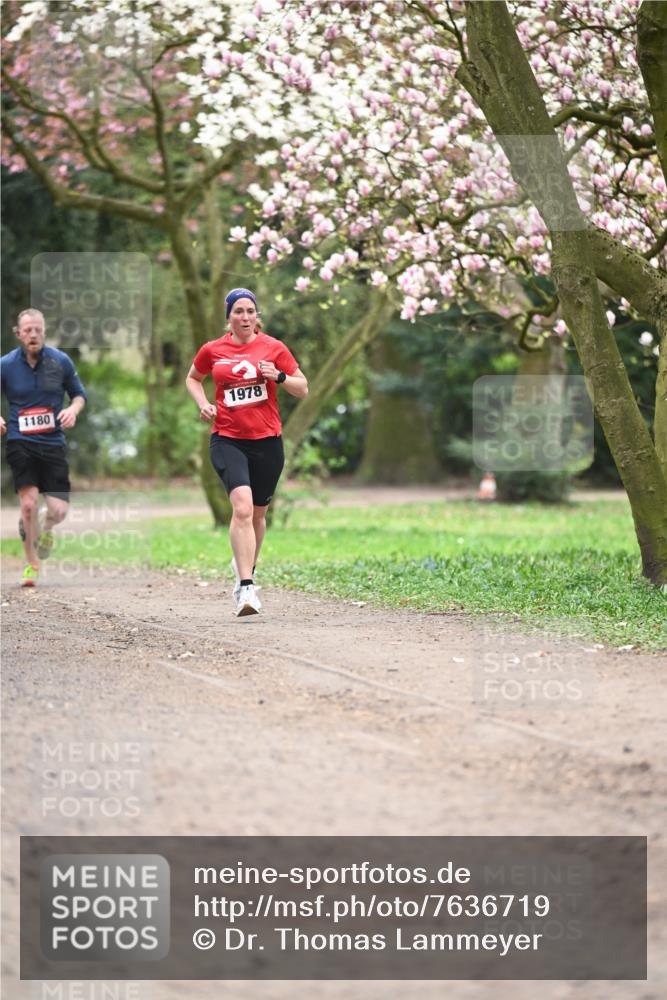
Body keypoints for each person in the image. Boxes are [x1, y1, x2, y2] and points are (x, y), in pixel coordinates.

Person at [185, 288, 308, 617]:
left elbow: (302, 387)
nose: (245, 317)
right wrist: (203, 404)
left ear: (257, 316)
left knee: (257, 515)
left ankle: (245, 565)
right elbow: (193, 378)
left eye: (250, 311)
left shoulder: (273, 347)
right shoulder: (213, 350)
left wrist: (279, 376)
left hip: (268, 441)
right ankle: (247, 587)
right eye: (238, 311)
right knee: (240, 509)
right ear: (229, 316)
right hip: (228, 439)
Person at [1, 308, 87, 587]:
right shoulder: (5, 365)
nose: (33, 334)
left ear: (44, 332)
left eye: (38, 329)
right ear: (18, 334)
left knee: (59, 511)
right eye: (28, 330)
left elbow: (78, 395)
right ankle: (31, 563)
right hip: (20, 442)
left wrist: (73, 410)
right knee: (28, 504)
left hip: (52, 443)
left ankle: (46, 525)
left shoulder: (60, 361)